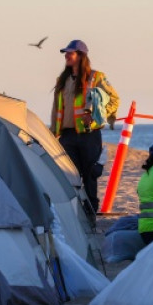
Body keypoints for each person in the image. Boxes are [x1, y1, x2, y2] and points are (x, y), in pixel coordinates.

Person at [51, 39, 119, 215]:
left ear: (81, 56)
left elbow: (114, 100)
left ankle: (90, 215)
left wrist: (97, 117)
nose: (66, 56)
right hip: (67, 136)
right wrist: (53, 133)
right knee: (70, 176)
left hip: (89, 134)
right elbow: (57, 109)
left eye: (70, 53)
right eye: (66, 53)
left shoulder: (96, 77)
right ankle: (74, 215)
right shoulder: (62, 80)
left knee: (90, 176)